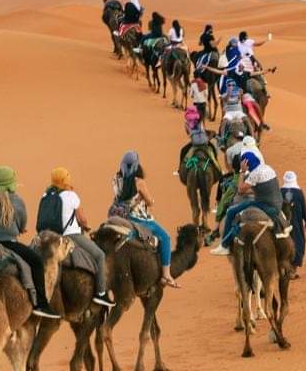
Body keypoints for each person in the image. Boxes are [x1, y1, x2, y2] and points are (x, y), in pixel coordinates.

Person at [0, 166, 62, 319]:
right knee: (35, 262)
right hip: (5, 243)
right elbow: (22, 223)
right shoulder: (16, 200)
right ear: (10, 184)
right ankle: (40, 303)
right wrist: (19, 229)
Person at [41, 167, 115, 307]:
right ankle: (101, 294)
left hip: (49, 236)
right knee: (99, 256)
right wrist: (85, 226)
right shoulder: (71, 195)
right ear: (66, 181)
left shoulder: (46, 195)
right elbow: (82, 219)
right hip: (71, 235)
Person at [111, 151, 180, 288]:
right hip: (140, 219)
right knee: (165, 237)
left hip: (121, 216)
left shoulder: (114, 179)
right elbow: (150, 201)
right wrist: (149, 200)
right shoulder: (139, 182)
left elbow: (119, 197)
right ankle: (166, 274)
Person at [209, 151, 291, 256]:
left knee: (231, 211)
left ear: (246, 163)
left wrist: (242, 172)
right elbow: (263, 188)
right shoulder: (268, 168)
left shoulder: (254, 174)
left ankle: (225, 245)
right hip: (277, 203)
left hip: (265, 205)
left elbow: (240, 190)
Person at [281, 171, 306, 274]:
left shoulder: (280, 192)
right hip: (296, 224)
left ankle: (285, 268)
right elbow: (304, 209)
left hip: (283, 225)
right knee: (298, 243)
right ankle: (293, 270)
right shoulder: (299, 193)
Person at [178, 106, 216, 172]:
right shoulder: (200, 121)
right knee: (213, 149)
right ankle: (216, 167)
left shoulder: (186, 123)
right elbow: (203, 130)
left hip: (194, 144)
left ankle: (180, 169)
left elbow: (188, 133)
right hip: (205, 142)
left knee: (183, 151)